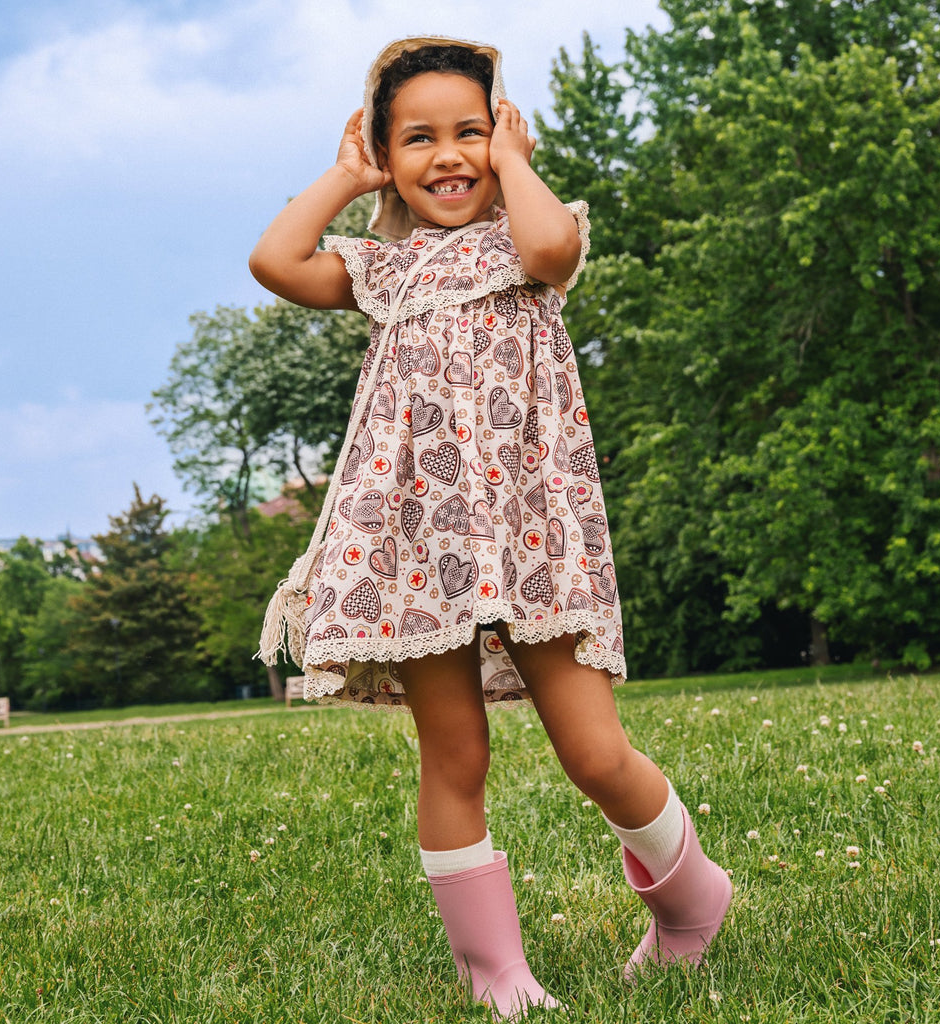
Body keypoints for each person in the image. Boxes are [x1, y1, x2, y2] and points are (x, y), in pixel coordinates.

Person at [251, 35, 731, 1020]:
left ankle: (689, 902)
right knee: (453, 750)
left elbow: (557, 247)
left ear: (503, 131)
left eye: (470, 130)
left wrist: (516, 161)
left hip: (531, 537)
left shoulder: (527, 239)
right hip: (421, 551)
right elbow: (274, 260)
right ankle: (495, 973)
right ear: (385, 154)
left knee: (592, 752)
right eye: (417, 137)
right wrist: (342, 176)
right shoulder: (381, 270)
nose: (448, 154)